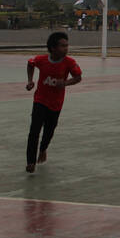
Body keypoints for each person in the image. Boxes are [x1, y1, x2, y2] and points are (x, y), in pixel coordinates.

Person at [24, 32, 82, 174]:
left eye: (67, 45)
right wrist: (30, 80)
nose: (66, 48)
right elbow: (30, 63)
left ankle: (43, 149)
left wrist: (65, 83)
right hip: (40, 100)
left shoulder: (70, 63)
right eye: (63, 46)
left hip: (56, 103)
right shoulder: (41, 60)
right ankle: (30, 162)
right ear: (53, 48)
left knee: (49, 131)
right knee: (34, 131)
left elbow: (78, 77)